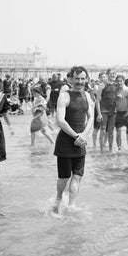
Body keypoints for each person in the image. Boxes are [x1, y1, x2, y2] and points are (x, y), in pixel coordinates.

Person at [52, 66, 94, 214]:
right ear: (71, 79)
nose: (80, 82)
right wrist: (76, 136)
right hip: (65, 143)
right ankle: (57, 202)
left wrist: (84, 135)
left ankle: (71, 206)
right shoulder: (64, 95)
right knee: (64, 178)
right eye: (77, 79)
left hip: (80, 143)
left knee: (77, 176)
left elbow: (91, 118)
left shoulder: (87, 96)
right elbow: (60, 120)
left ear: (86, 79)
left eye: (83, 79)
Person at [96, 69, 117, 153]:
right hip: (104, 111)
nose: (113, 75)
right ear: (107, 74)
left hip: (113, 111)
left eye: (114, 73)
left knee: (111, 131)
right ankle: (101, 151)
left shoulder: (115, 84)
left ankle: (110, 149)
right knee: (103, 130)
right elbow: (97, 100)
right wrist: (99, 114)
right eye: (111, 73)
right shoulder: (102, 85)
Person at [114, 74, 128, 151]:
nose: (119, 83)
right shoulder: (115, 90)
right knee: (118, 131)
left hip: (127, 112)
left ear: (124, 81)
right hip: (118, 113)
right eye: (118, 81)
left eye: (121, 81)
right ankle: (119, 148)